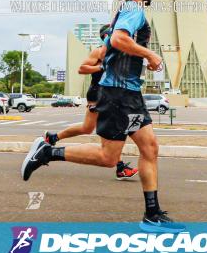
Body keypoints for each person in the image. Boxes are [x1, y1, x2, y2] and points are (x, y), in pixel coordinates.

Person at [21, 0, 183, 232]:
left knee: (150, 148)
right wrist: (150, 54)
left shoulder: (125, 11)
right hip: (117, 93)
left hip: (129, 92)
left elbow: (115, 47)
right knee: (109, 158)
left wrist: (136, 59)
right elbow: (119, 39)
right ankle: (47, 152)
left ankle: (152, 215)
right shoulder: (133, 8)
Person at [42, 23, 139, 181]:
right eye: (113, 34)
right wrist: (101, 68)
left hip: (110, 95)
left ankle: (52, 138)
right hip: (98, 94)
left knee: (87, 128)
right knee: (109, 130)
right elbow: (82, 68)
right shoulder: (99, 52)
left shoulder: (119, 53)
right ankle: (120, 167)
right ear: (106, 36)